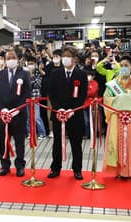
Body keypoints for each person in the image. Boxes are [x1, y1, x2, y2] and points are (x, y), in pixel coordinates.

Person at [103, 55, 131, 178]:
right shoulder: (113, 84)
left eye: (126, 66)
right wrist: (121, 98)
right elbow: (106, 98)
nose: (123, 68)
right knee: (115, 141)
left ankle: (128, 171)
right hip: (116, 117)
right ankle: (117, 170)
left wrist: (129, 98)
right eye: (121, 65)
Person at [47, 46, 88, 180]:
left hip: (75, 114)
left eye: (68, 56)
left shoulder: (81, 75)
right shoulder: (55, 73)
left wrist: (72, 110)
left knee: (76, 143)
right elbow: (51, 93)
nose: (65, 59)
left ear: (74, 59)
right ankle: (55, 168)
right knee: (57, 143)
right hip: (58, 113)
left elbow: (82, 95)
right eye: (63, 56)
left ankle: (77, 169)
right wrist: (59, 108)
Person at [0, 49, 31, 177]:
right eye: (8, 58)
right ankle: (4, 165)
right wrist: (1, 108)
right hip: (3, 114)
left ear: (17, 60)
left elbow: (27, 93)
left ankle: (20, 165)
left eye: (12, 58)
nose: (10, 61)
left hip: (19, 113)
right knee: (3, 139)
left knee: (19, 140)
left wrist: (17, 109)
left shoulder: (24, 74)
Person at [26, 56, 46, 139]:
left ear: (35, 64)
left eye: (32, 64)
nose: (30, 65)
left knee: (37, 116)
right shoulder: (24, 73)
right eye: (29, 63)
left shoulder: (38, 73)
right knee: (27, 117)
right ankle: (30, 133)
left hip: (36, 97)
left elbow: (37, 84)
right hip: (27, 97)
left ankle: (42, 133)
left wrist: (31, 75)